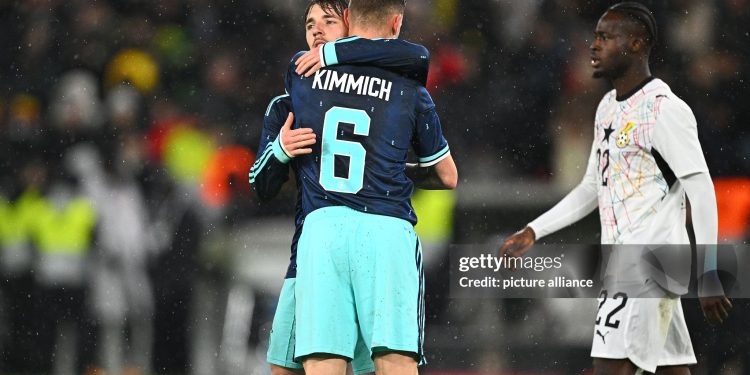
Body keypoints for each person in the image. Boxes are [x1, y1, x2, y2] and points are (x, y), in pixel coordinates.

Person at [499, 2, 731, 374]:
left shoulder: (663, 108)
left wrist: (708, 272)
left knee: (607, 368)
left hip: (649, 261)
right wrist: (533, 230)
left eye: (606, 37)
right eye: (595, 36)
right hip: (625, 262)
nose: (594, 45)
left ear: (637, 44)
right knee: (673, 368)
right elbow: (592, 186)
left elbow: (700, 188)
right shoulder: (607, 106)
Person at [248, 1, 441, 374]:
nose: (317, 30)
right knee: (285, 367)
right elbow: (260, 183)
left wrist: (335, 53)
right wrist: (281, 150)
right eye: (310, 24)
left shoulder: (361, 90)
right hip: (313, 254)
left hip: (334, 242)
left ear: (350, 26)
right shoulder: (292, 103)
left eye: (328, 21)